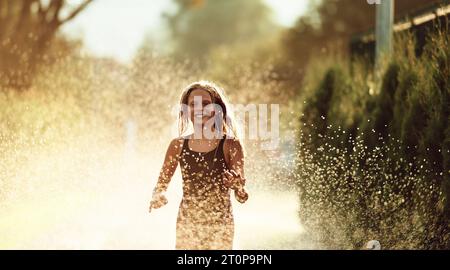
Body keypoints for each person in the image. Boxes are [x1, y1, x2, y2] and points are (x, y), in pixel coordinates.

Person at [149, 81, 249, 250]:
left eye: (205, 104)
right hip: (188, 223)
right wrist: (158, 195)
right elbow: (161, 185)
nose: (199, 109)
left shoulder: (231, 145)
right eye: (193, 104)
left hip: (221, 226)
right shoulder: (177, 145)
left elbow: (242, 197)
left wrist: (237, 187)